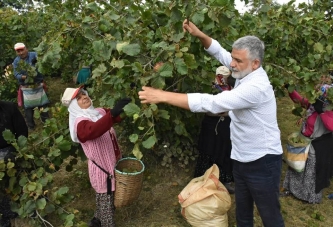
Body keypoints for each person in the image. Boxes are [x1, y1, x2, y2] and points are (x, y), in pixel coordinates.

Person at [138, 20, 285, 227]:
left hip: (263, 161)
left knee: (270, 217)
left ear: (255, 64)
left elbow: (212, 103)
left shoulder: (256, 87)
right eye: (232, 58)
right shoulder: (243, 70)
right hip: (242, 157)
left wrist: (163, 95)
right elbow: (219, 52)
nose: (231, 64)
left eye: (238, 60)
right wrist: (199, 34)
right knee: (242, 214)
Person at [61, 86, 130, 227]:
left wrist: (128, 106)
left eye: (84, 94)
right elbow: (95, 130)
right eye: (78, 98)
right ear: (74, 105)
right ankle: (104, 223)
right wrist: (111, 115)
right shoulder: (80, 124)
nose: (84, 97)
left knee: (107, 201)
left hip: (112, 163)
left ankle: (95, 222)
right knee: (107, 204)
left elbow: (114, 117)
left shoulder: (98, 112)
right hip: (102, 171)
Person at [281, 77, 333, 203]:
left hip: (318, 143)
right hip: (304, 140)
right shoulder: (314, 105)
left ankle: (309, 196)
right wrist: (290, 89)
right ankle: (291, 189)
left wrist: (322, 112)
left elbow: (331, 126)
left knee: (311, 170)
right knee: (297, 164)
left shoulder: (328, 109)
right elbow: (301, 101)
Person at [194, 66, 235, 194]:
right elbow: (207, 109)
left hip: (225, 126)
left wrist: (225, 112)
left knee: (224, 149)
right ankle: (204, 177)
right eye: (220, 76)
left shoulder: (233, 89)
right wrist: (222, 112)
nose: (222, 79)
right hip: (211, 125)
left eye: (224, 77)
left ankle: (224, 180)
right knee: (209, 149)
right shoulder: (210, 88)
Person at [0, 100, 28, 226]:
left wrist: (15, 151)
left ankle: (20, 211)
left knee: (14, 182)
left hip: (10, 151)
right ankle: (5, 217)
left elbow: (22, 132)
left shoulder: (9, 108)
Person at [12, 42, 49, 130]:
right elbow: (16, 74)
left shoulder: (34, 55)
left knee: (43, 105)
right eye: (18, 51)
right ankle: (31, 126)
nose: (21, 53)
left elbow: (43, 61)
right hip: (26, 88)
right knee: (28, 108)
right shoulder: (16, 61)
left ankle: (47, 123)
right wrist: (23, 77)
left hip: (38, 85)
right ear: (16, 53)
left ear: (26, 49)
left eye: (22, 50)